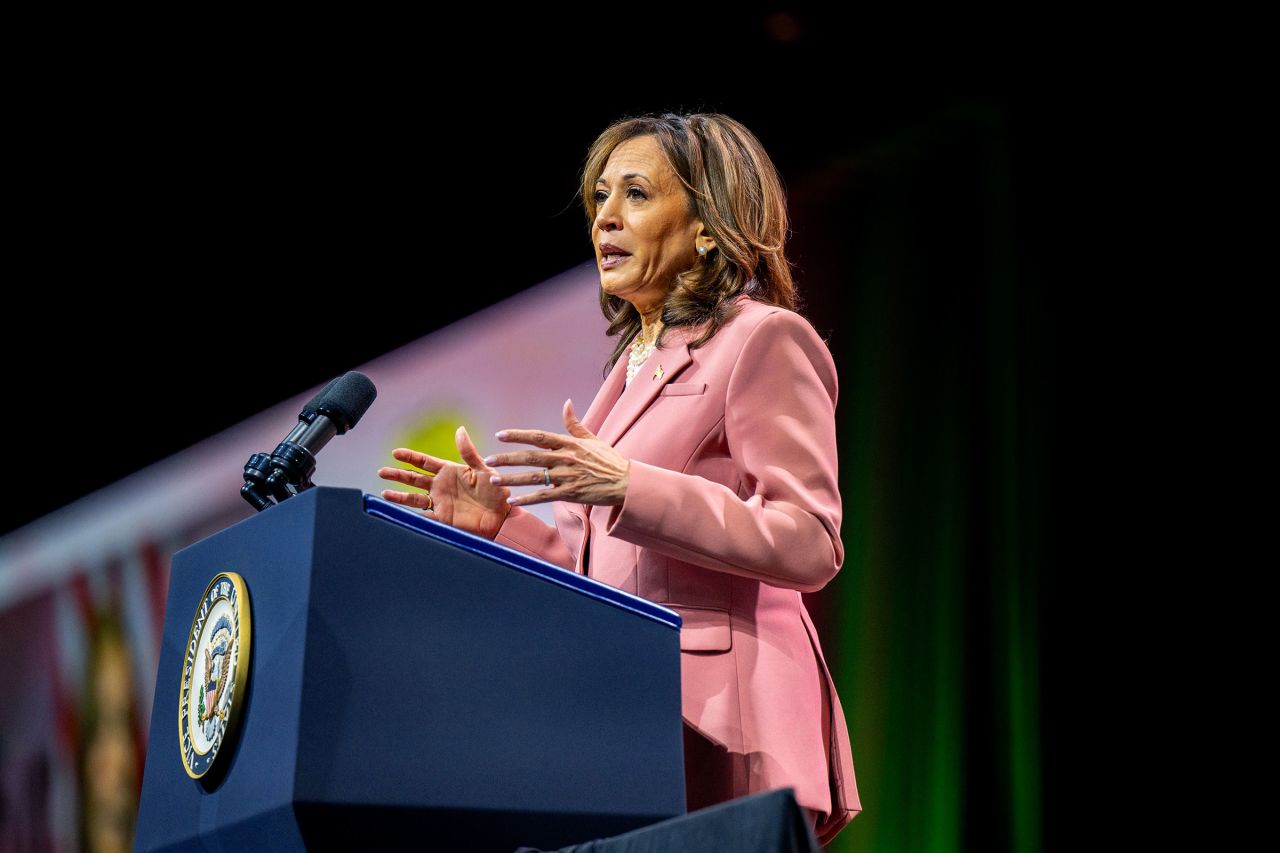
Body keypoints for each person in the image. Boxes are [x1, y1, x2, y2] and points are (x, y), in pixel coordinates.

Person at [377, 112, 862, 845]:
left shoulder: (763, 339)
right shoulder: (624, 378)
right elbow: (601, 569)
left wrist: (633, 486)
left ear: (707, 225)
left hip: (727, 718)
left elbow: (810, 539)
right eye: (600, 196)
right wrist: (501, 525)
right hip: (633, 725)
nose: (604, 216)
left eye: (635, 194)